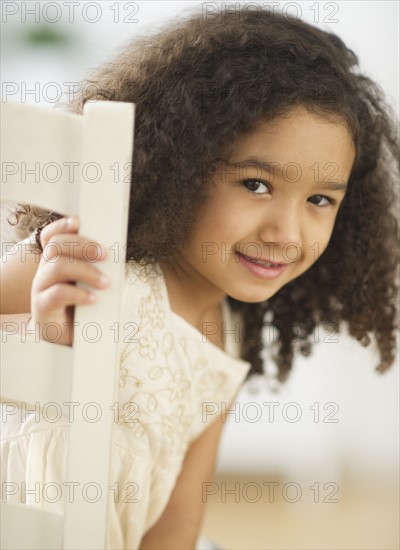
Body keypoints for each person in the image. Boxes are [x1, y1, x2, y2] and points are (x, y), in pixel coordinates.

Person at [1, 7, 398, 549]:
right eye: (256, 184)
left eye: (320, 200)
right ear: (179, 165)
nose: (287, 231)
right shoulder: (93, 262)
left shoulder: (224, 344)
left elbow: (176, 527)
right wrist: (32, 336)